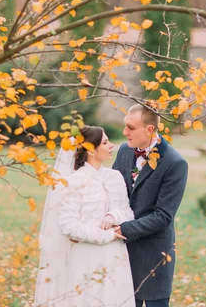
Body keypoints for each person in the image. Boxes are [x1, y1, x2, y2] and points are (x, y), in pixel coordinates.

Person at [34, 126, 135, 307]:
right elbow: (68, 226)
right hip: (86, 256)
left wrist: (113, 216)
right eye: (105, 142)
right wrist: (107, 235)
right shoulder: (74, 182)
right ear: (90, 149)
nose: (111, 145)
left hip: (116, 256)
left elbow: (128, 212)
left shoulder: (115, 177)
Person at [112, 105, 189, 307]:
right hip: (121, 251)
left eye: (130, 127)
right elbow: (112, 192)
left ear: (149, 130)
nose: (124, 132)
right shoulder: (124, 151)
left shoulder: (175, 163)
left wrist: (124, 228)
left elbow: (163, 216)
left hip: (153, 255)